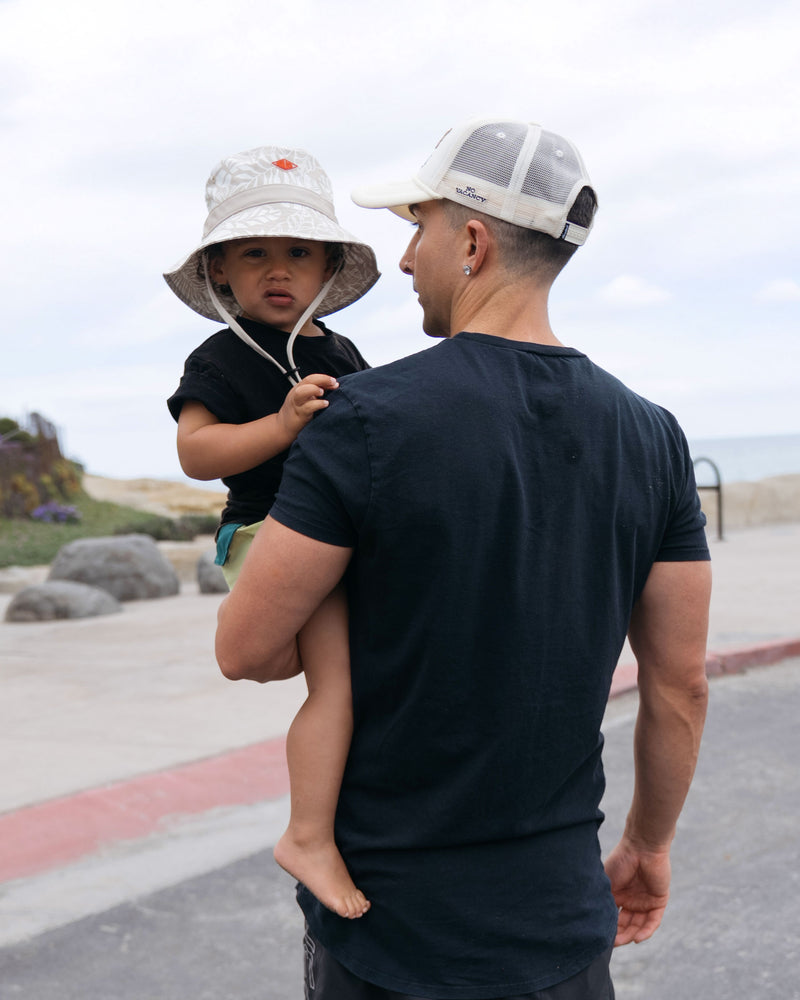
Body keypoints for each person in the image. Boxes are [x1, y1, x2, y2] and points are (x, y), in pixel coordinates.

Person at [215, 119, 711, 999]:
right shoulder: (655, 437)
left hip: (390, 931)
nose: (406, 259)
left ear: (472, 241)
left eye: (420, 228)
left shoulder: (364, 419)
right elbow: (679, 685)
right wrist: (647, 846)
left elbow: (246, 649)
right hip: (561, 924)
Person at [166, 145, 380, 920]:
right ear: (220, 268)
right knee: (338, 685)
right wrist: (281, 425)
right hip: (270, 528)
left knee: (382, 667)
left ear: (327, 264)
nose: (278, 269)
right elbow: (196, 453)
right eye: (255, 253)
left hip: (345, 533)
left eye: (298, 252)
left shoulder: (341, 350)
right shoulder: (221, 356)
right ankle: (308, 835)